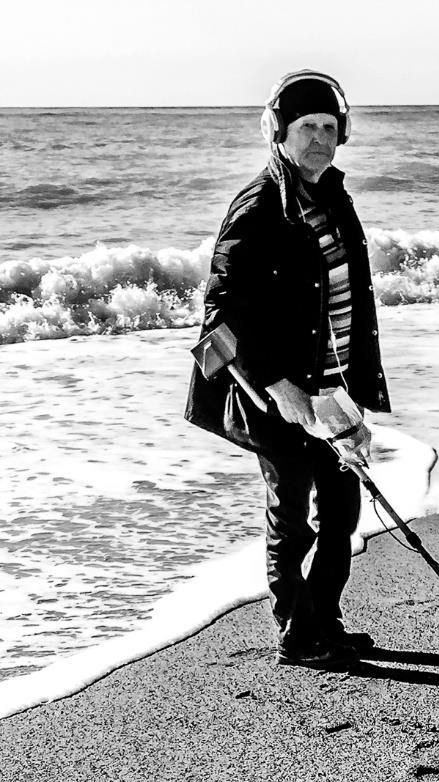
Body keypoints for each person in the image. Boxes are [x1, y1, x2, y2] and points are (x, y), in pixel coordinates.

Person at [184, 69, 391, 669]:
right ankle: (296, 634)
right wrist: (279, 386)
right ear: (280, 132)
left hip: (333, 386)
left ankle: (322, 620)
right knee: (292, 513)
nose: (320, 139)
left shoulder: (335, 196)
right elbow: (220, 312)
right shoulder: (256, 207)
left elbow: (350, 297)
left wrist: (355, 387)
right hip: (273, 389)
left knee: (344, 508)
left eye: (330, 127)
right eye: (307, 128)